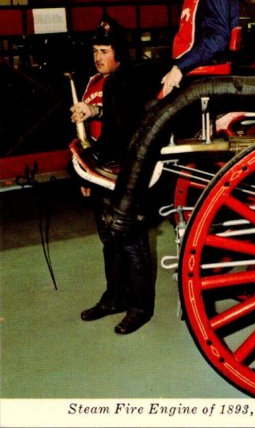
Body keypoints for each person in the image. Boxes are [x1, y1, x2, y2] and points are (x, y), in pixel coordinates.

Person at [70, 18, 154, 335]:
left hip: (124, 171)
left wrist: (96, 115)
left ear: (119, 53)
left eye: (104, 51)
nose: (98, 57)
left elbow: (123, 125)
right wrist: (86, 178)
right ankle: (115, 298)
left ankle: (140, 308)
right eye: (95, 50)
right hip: (101, 169)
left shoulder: (129, 81)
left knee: (131, 240)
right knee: (109, 238)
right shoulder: (95, 82)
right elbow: (97, 125)